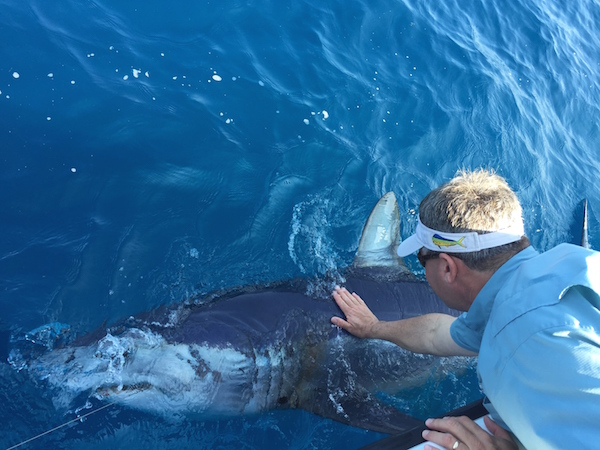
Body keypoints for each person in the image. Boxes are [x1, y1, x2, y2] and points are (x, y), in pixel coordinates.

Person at [331, 169, 600, 450]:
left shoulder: (525, 345)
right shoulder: (571, 260)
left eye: (422, 260)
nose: (421, 271)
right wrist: (374, 328)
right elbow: (437, 333)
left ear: (447, 267)